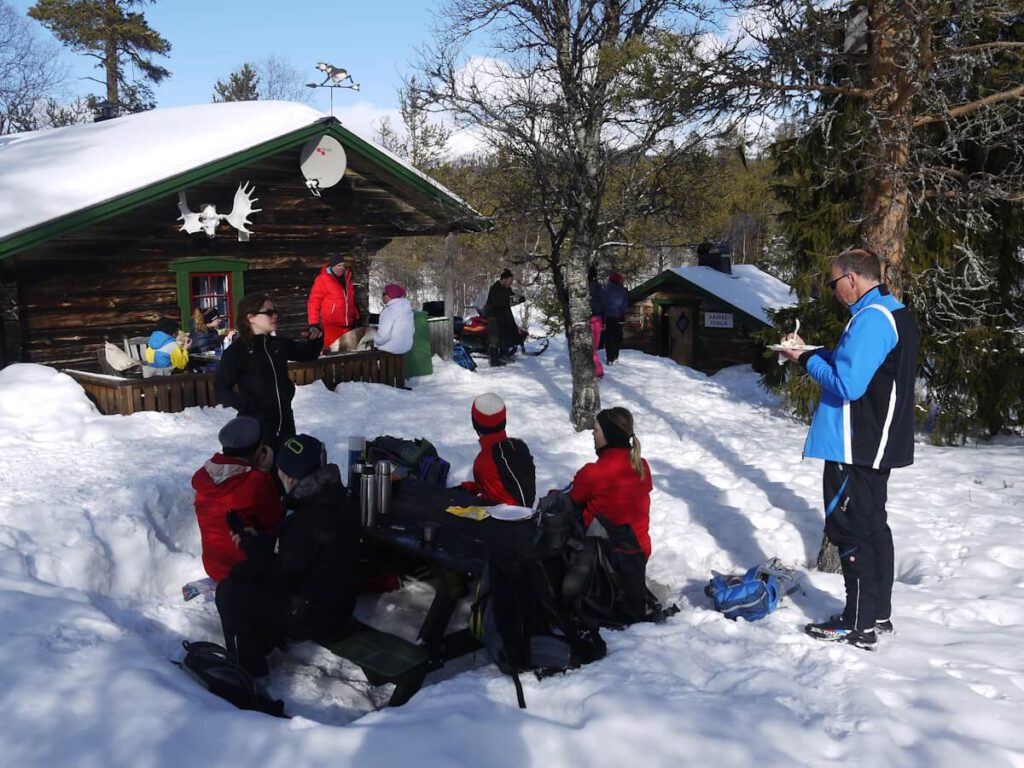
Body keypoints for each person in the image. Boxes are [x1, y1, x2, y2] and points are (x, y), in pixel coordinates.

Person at [779, 248, 918, 650]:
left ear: (852, 280)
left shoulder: (872, 320)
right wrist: (810, 352)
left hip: (856, 444)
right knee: (874, 526)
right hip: (873, 443)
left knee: (851, 529)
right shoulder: (893, 312)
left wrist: (804, 363)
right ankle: (878, 614)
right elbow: (856, 367)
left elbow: (847, 384)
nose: (834, 290)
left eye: (834, 281)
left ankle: (857, 624)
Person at [215, 434, 360, 676]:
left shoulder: (308, 518)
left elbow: (281, 575)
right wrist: (257, 541)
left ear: (290, 478)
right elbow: (297, 552)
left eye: (280, 472)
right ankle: (261, 643)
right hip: (332, 599)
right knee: (241, 574)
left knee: (230, 593)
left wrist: (251, 547)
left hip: (318, 614)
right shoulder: (330, 495)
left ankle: (249, 671)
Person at [568, 407, 652, 621]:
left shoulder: (594, 472)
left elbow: (573, 498)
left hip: (607, 559)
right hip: (639, 553)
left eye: (596, 430)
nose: (592, 435)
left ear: (609, 435)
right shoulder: (642, 466)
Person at [214, 294, 323, 449]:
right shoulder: (236, 352)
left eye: (275, 312)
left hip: (285, 424)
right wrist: (247, 405)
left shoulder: (277, 345)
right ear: (251, 317)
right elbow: (220, 390)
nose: (275, 316)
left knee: (284, 471)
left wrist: (316, 336)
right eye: (269, 312)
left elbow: (308, 353)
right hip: (255, 428)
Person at [191, 416, 283, 582]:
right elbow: (277, 523)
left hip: (214, 567)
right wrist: (265, 472)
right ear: (258, 450)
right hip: (247, 570)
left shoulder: (206, 477)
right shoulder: (256, 481)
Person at [459, 393, 536, 506]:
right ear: (503, 420)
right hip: (526, 512)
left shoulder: (484, 461)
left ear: (475, 424)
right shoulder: (519, 447)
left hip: (506, 519)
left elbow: (494, 503)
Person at [307, 253, 360, 351]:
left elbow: (349, 299)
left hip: (347, 326)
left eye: (343, 265)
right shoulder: (322, 279)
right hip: (331, 327)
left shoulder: (348, 278)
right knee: (332, 353)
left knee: (347, 353)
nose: (342, 268)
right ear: (332, 266)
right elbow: (313, 302)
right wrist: (313, 323)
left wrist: (356, 315)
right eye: (339, 266)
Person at [483, 268, 520, 367]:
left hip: (503, 315)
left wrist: (519, 299)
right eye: (510, 281)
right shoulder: (495, 288)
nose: (511, 283)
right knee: (494, 337)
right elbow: (498, 302)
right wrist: (509, 301)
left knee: (506, 334)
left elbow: (512, 298)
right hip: (493, 315)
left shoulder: (507, 288)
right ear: (505, 279)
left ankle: (504, 354)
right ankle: (494, 361)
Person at [373, 283, 414, 355]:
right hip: (406, 348)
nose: (381, 296)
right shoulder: (407, 309)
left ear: (390, 295)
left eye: (383, 294)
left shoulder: (389, 311)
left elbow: (383, 337)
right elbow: (412, 330)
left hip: (390, 350)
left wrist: (374, 341)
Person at [603, 271, 628, 365]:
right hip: (618, 317)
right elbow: (625, 305)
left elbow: (603, 303)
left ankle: (609, 358)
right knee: (617, 337)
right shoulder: (623, 290)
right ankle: (616, 356)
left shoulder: (605, 289)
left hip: (608, 317)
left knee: (609, 338)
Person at [587, 267, 605, 378]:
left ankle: (598, 371)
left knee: (590, 348)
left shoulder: (584, 288)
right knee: (594, 348)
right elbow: (604, 304)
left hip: (588, 319)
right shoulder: (601, 289)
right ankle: (596, 370)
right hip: (598, 320)